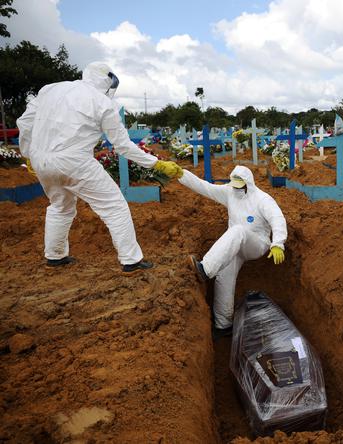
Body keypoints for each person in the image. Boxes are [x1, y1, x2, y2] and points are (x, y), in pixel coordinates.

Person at [16, 61, 183, 273]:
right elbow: (122, 145)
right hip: (76, 161)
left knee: (60, 206)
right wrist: (155, 163)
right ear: (107, 80)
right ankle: (131, 260)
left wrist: (29, 154)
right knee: (114, 206)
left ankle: (55, 256)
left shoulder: (50, 90)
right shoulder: (103, 103)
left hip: (42, 160)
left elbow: (24, 122)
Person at [183, 165, 287, 338]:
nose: (236, 189)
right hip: (234, 246)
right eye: (234, 185)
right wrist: (181, 174)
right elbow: (205, 187)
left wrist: (278, 243)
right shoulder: (229, 192)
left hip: (256, 244)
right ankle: (223, 326)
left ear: (248, 184)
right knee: (224, 278)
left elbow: (277, 218)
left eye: (240, 186)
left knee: (238, 230)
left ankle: (205, 269)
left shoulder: (262, 199)